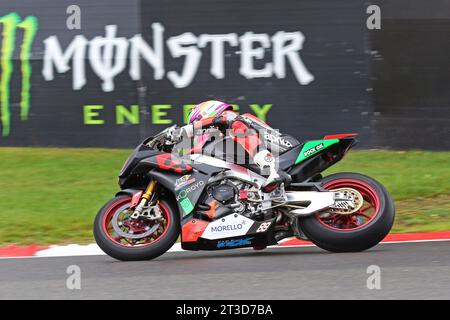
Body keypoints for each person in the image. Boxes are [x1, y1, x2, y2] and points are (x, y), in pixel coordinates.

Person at [166, 100, 290, 193]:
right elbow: (198, 153)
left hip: (283, 152)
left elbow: (223, 121)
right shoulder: (220, 140)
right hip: (260, 166)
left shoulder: (230, 117)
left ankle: (269, 168)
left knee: (237, 126)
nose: (199, 131)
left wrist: (183, 131)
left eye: (196, 122)